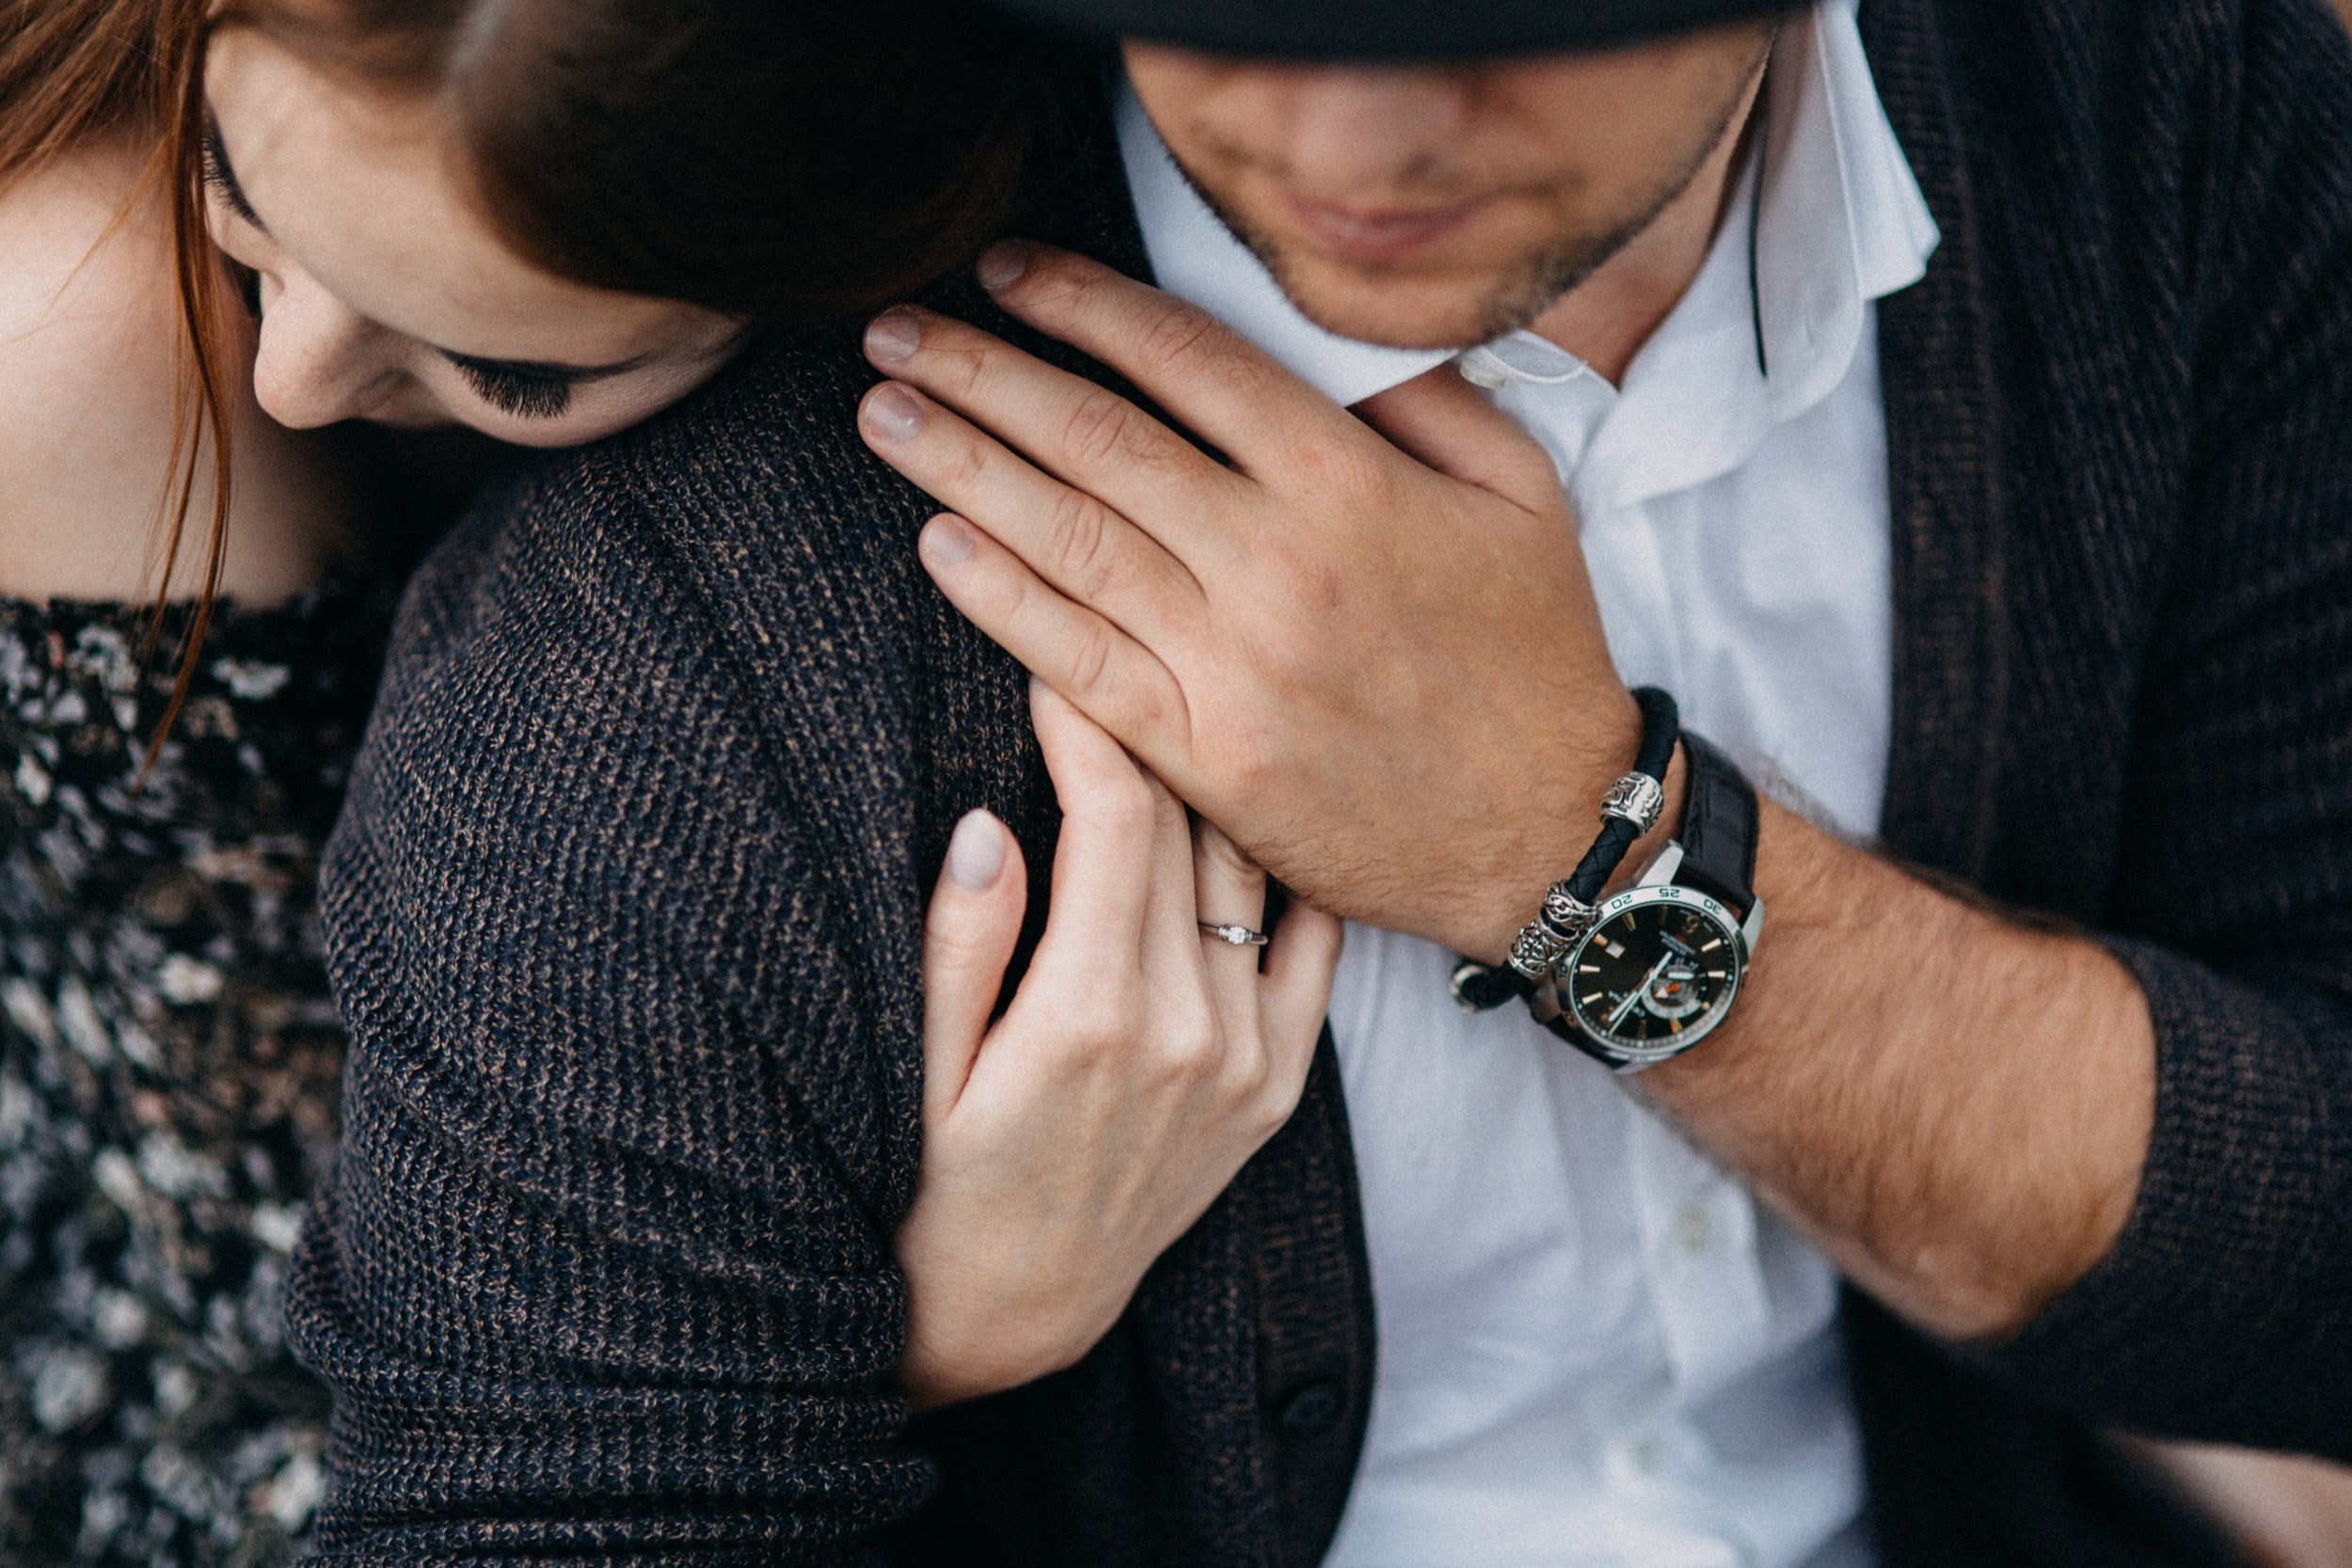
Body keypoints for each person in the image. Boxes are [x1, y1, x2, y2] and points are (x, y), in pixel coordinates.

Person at [299, 1, 2348, 1568]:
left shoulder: (2157, 119)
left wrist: (1578, 845)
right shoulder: (677, 612)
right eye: (1245, 4)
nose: (1349, 134)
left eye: (1507, 15)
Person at [5, 0, 1245, 1560]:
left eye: (507, 369)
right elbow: (274, 1362)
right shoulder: (68, 331)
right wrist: (927, 1332)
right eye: (232, 177)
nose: (298, 381)